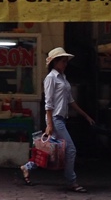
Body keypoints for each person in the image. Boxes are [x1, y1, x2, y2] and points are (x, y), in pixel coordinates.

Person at [20, 47, 95, 192]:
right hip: (55, 119)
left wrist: (85, 115)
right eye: (63, 61)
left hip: (59, 119)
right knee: (70, 149)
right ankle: (71, 181)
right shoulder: (51, 78)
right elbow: (48, 103)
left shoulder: (63, 77)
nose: (65, 64)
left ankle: (27, 167)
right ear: (55, 62)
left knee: (49, 150)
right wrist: (49, 124)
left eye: (66, 61)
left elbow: (70, 101)